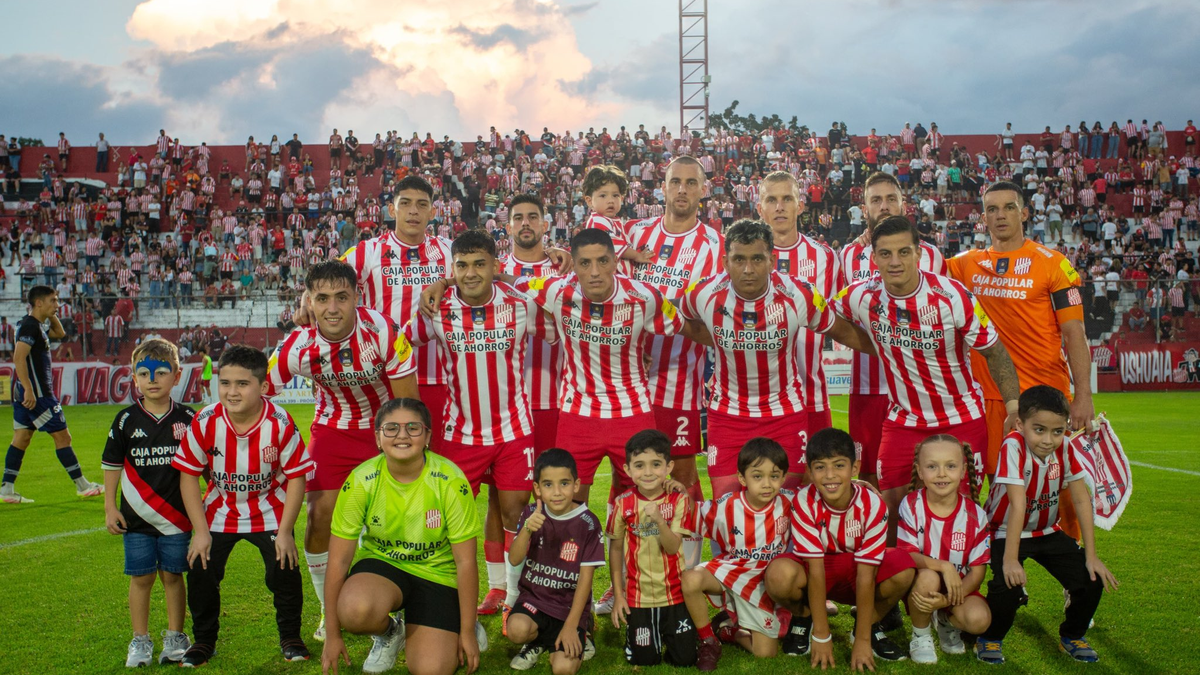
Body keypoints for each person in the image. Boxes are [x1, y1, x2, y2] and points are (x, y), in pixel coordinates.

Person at [833, 216, 1020, 537]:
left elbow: (995, 351)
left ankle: (961, 585)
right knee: (889, 514)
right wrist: (876, 344)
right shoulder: (861, 296)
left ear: (919, 254)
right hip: (903, 422)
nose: (895, 262)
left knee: (957, 518)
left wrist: (1014, 406)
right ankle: (903, 583)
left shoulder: (953, 296)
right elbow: (830, 317)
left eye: (904, 252)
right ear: (873, 258)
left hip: (959, 420)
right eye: (886, 254)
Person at [266, 260, 419, 641]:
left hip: (384, 428)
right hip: (333, 429)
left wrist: (401, 449)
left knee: (403, 520)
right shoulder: (296, 345)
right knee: (319, 518)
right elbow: (259, 396)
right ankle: (327, 608)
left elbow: (409, 404)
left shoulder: (382, 331)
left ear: (356, 298)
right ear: (309, 302)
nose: (332, 308)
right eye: (322, 299)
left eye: (341, 297)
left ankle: (418, 605)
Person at [408, 230, 553, 617]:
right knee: (443, 518)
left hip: (513, 430)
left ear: (494, 266)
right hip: (459, 433)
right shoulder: (434, 308)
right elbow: (401, 343)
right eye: (462, 265)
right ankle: (442, 599)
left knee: (514, 512)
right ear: (452, 270)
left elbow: (563, 331)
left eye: (479, 264)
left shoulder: (522, 304)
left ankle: (511, 597)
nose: (471, 273)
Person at [678, 219, 875, 497]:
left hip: (785, 415)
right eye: (739, 259)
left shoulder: (799, 294)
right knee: (727, 508)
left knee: (787, 508)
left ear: (772, 260)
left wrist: (892, 351)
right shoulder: (702, 293)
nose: (748, 269)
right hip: (727, 416)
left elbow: (844, 332)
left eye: (757, 259)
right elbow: (684, 324)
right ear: (725, 262)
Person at [947, 180, 1093, 539]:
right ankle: (997, 576)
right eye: (992, 209)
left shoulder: (1053, 264)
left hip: (1046, 395)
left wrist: (1084, 395)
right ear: (982, 218)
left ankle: (1074, 571)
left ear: (1024, 213)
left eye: (1009, 207)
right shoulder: (965, 264)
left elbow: (1075, 333)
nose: (1000, 215)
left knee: (1062, 486)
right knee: (992, 488)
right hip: (990, 398)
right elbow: (914, 262)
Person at [172, 345, 315, 667]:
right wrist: (200, 531)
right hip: (220, 509)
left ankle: (290, 636)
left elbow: (296, 478)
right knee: (201, 568)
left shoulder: (279, 423)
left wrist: (286, 532)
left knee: (285, 567)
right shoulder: (205, 420)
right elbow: (188, 476)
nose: (231, 392)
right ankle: (204, 641)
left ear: (263, 387)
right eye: (225, 383)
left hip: (270, 507)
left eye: (242, 384)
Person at [320, 398, 485, 675]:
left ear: (428, 436)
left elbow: (466, 562)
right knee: (355, 611)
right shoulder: (361, 480)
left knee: (432, 669)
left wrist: (467, 631)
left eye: (413, 428)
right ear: (378, 437)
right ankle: (390, 632)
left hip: (436, 573)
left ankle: (459, 619)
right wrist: (333, 635)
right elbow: (338, 562)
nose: (402, 435)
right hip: (384, 568)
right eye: (391, 428)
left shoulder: (451, 481)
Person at [975, 386, 1118, 665]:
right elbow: (1017, 505)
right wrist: (1011, 560)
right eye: (1039, 430)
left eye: (1057, 431)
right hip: (1004, 530)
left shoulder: (1066, 446)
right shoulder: (1012, 445)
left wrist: (1091, 556)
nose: (1048, 440)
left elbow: (1080, 499)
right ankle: (990, 638)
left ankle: (1072, 635)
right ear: (1020, 424)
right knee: (1008, 584)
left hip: (1047, 531)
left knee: (1091, 579)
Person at [764, 429, 916, 669]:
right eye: (820, 467)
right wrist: (822, 636)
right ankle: (805, 618)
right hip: (819, 570)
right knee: (778, 574)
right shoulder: (804, 501)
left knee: (903, 567)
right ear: (810, 471)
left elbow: (866, 574)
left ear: (854, 468)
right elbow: (815, 570)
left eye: (839, 465)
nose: (830, 475)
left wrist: (863, 641)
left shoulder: (873, 504)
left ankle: (866, 628)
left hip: (858, 570)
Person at [481, 194, 565, 614]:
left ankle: (549, 579)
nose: (526, 223)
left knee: (555, 491)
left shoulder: (564, 267)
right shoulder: (491, 271)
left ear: (546, 222)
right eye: (518, 218)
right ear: (507, 226)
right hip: (502, 402)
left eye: (534, 215)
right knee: (499, 498)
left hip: (554, 398)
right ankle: (498, 585)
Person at [840, 173, 947, 489]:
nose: (883, 206)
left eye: (890, 199)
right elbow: (838, 319)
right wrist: (877, 344)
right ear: (864, 208)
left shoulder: (931, 255)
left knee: (922, 476)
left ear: (904, 204)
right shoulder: (848, 255)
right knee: (868, 478)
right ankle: (879, 539)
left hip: (920, 388)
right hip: (867, 388)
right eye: (876, 200)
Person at [101, 338, 195, 666]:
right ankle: (140, 640)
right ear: (134, 377)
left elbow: (202, 467)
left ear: (177, 375)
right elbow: (112, 465)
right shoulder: (126, 420)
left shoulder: (188, 418)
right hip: (136, 520)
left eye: (160, 373)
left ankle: (175, 637)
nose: (152, 380)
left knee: (173, 575)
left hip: (178, 519)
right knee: (141, 578)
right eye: (144, 373)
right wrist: (110, 507)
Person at [682, 438, 793, 670]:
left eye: (774, 476)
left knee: (766, 654)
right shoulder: (727, 506)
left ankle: (729, 631)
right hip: (730, 573)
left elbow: (822, 495)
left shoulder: (790, 503)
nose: (766, 484)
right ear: (742, 478)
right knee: (691, 579)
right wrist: (679, 493)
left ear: (783, 478)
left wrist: (860, 485)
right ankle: (707, 639)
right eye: (757, 476)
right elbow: (691, 514)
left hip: (762, 583)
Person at [756, 171, 842, 446]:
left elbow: (838, 317)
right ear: (760, 208)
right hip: (755, 400)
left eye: (786, 199)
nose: (779, 207)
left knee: (815, 483)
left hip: (810, 395)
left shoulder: (825, 257)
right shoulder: (743, 256)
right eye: (771, 200)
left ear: (800, 205)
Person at [2, 285, 103, 504]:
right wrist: (29, 389)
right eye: (53, 301)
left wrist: (51, 314)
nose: (57, 305)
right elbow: (19, 358)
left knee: (22, 438)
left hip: (28, 392)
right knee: (63, 437)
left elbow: (60, 333)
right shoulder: (30, 326)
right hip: (38, 395)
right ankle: (83, 486)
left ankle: (7, 488)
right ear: (38, 303)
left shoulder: (34, 325)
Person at [505, 449, 604, 672]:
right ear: (537, 489)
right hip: (535, 600)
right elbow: (514, 559)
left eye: (564, 483)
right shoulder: (532, 512)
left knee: (563, 669)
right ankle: (538, 641)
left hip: (568, 607)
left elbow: (585, 581)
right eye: (548, 485)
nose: (557, 492)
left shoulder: (588, 523)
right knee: (516, 631)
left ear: (576, 485)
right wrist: (528, 529)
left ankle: (580, 632)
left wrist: (571, 625)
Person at [896, 435, 992, 664]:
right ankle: (921, 635)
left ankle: (946, 622)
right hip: (920, 584)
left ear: (962, 470)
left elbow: (977, 572)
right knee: (928, 576)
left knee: (980, 620)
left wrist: (947, 601)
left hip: (958, 589)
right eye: (932, 466)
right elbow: (907, 555)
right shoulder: (911, 504)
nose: (941, 473)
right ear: (920, 471)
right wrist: (944, 566)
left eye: (950, 466)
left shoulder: (975, 516)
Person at [607, 429, 698, 667]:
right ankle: (639, 638)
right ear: (627, 470)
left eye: (656, 464)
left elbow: (672, 547)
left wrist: (659, 520)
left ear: (668, 467)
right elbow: (615, 550)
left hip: (674, 594)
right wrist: (619, 595)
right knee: (645, 660)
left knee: (685, 659)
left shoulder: (678, 500)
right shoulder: (622, 503)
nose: (648, 472)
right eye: (639, 465)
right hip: (639, 597)